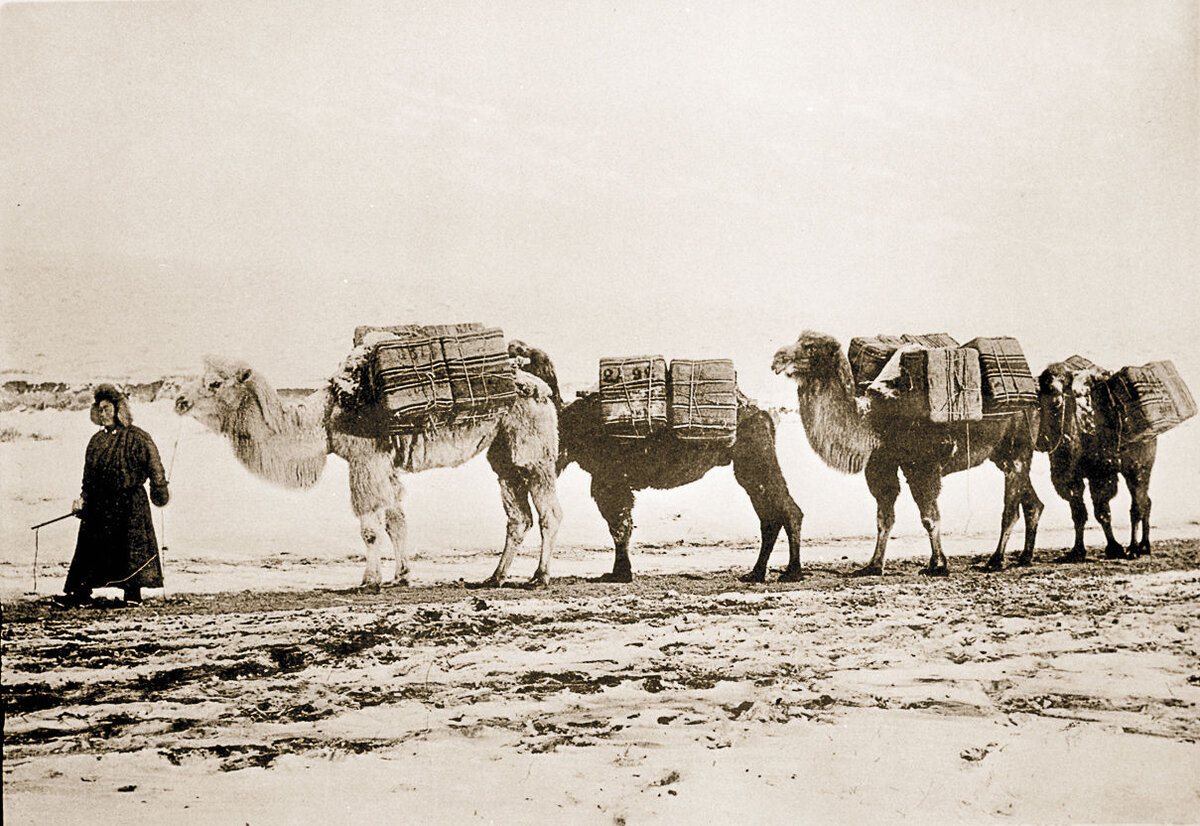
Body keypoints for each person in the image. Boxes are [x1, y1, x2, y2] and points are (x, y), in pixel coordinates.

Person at [56, 384, 170, 607]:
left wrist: (160, 489)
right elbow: (88, 477)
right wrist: (83, 499)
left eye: (107, 409)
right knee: (90, 547)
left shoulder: (138, 437)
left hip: (131, 504)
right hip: (100, 505)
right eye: (100, 409)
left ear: (119, 410)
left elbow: (155, 466)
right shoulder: (95, 442)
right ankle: (80, 593)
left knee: (131, 549)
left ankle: (133, 595)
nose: (103, 414)